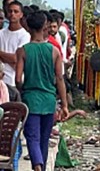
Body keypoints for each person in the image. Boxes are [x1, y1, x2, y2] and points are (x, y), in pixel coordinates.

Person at [15, 11, 69, 171]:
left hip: (31, 99)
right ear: (45, 26)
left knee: (32, 136)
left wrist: (24, 91)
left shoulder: (23, 51)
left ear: (28, 27)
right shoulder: (54, 51)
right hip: (49, 100)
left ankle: (37, 165)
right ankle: (41, 167)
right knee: (44, 138)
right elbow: (60, 79)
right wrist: (64, 105)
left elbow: (18, 79)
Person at [0, 0, 31, 102]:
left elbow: (16, 58)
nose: (12, 14)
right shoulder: (1, 33)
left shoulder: (24, 35)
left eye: (16, 11)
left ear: (21, 14)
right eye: (10, 11)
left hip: (14, 81)